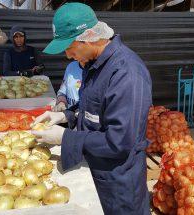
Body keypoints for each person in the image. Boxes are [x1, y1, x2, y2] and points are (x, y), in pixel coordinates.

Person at [32, 3, 152, 214]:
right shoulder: (94, 65)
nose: (68, 56)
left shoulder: (126, 73)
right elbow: (92, 106)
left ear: (88, 37)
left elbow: (120, 141)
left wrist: (65, 137)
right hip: (98, 169)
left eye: (69, 48)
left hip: (119, 181)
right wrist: (63, 115)